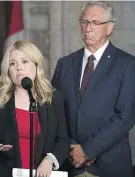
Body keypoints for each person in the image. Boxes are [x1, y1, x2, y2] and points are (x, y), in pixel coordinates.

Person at [52, 1, 135, 177]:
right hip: (69, 162)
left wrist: (87, 150)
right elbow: (54, 112)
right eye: (84, 22)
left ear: (109, 28)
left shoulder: (127, 64)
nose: (88, 28)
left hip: (110, 166)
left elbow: (125, 117)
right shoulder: (65, 64)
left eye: (95, 23)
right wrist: (71, 148)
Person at [0, 40, 70, 177]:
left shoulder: (54, 98)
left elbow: (63, 140)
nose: (19, 68)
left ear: (36, 65)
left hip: (43, 173)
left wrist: (49, 160)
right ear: (8, 70)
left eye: (25, 61)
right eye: (12, 63)